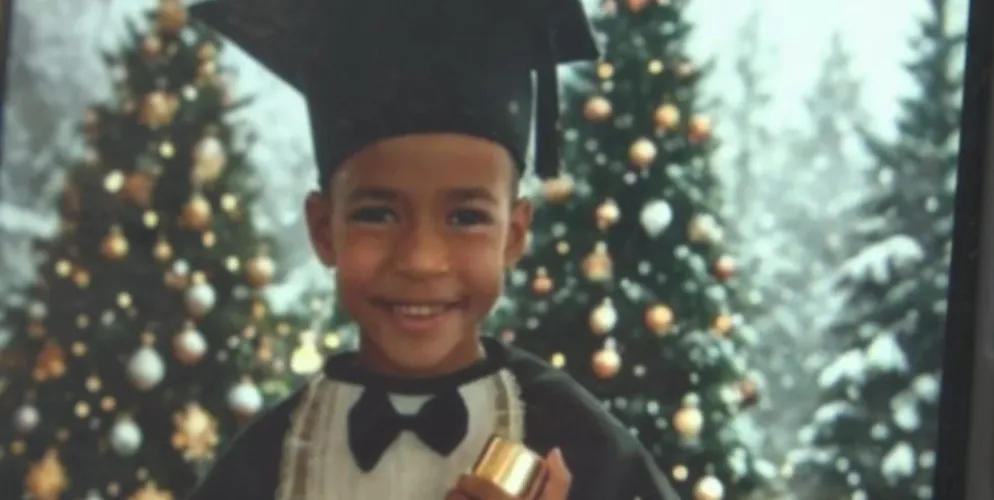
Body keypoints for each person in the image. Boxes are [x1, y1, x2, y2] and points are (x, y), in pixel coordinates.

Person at [187, 0, 682, 499]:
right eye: (377, 214)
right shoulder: (269, 459)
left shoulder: (582, 447)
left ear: (513, 234)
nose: (421, 260)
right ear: (322, 229)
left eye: (466, 218)